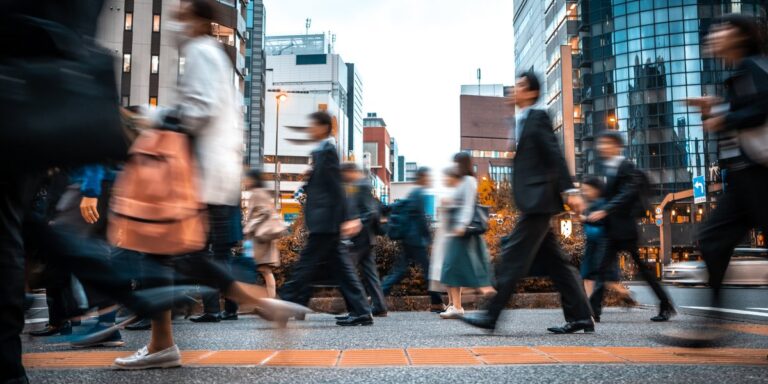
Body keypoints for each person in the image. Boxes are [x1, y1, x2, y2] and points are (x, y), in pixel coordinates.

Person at [113, 1, 307, 369]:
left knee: (161, 252)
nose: (174, 25)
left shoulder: (202, 53)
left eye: (181, 17)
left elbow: (199, 109)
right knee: (182, 256)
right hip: (210, 173)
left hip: (194, 175)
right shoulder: (215, 56)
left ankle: (165, 344)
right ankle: (169, 341)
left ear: (199, 21)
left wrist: (151, 117)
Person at [461, 71, 594, 334]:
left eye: (521, 86)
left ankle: (491, 316)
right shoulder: (519, 121)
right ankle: (581, 317)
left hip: (539, 202)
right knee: (557, 265)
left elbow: (554, 154)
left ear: (532, 93)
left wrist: (569, 189)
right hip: (534, 201)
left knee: (512, 259)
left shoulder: (537, 117)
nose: (515, 89)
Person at [680, 15, 768, 344]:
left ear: (741, 35)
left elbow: (760, 110)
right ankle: (712, 324)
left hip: (760, 175)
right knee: (713, 240)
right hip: (743, 180)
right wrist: (717, 110)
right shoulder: (739, 73)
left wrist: (722, 116)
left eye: (722, 29)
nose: (714, 35)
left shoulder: (754, 66)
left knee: (714, 239)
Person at [278, 111, 374, 327]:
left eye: (312, 125)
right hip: (327, 221)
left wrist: (349, 218)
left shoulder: (328, 151)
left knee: (305, 265)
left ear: (322, 127)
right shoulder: (323, 151)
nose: (310, 130)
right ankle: (361, 311)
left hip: (326, 221)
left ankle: (283, 307)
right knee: (341, 269)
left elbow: (336, 188)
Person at [587, 131, 674, 322]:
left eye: (607, 143)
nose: (602, 147)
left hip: (625, 229)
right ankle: (594, 310)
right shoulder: (610, 168)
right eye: (601, 144)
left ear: (617, 146)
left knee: (641, 269)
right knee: (601, 270)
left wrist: (605, 210)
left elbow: (628, 193)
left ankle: (665, 305)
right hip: (613, 229)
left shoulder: (626, 166)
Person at [380, 167, 445, 312]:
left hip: (409, 239)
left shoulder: (414, 193)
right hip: (415, 241)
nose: (430, 180)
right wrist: (428, 238)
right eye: (428, 177)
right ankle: (437, 303)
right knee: (428, 271)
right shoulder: (419, 194)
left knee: (400, 271)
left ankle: (378, 296)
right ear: (422, 177)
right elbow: (421, 219)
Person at [439, 154, 494, 319]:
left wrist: (462, 225)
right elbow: (461, 203)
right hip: (456, 231)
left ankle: (462, 303)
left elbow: (468, 206)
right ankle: (457, 305)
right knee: (452, 268)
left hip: (462, 231)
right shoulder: (464, 181)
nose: (454, 166)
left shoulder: (469, 181)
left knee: (452, 267)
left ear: (461, 163)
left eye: (455, 162)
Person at [579, 176, 634, 322]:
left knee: (603, 277)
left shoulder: (603, 203)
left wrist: (585, 219)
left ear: (596, 190)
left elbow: (602, 220)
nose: (585, 192)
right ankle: (590, 308)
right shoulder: (590, 204)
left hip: (602, 244)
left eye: (587, 190)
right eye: (583, 190)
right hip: (591, 244)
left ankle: (622, 294)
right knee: (588, 276)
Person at [339, 163, 388, 317]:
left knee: (346, 272)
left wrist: (357, 223)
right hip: (366, 238)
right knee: (370, 274)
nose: (343, 177)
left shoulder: (361, 185)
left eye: (344, 173)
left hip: (360, 238)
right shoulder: (358, 185)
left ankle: (357, 309)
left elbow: (370, 211)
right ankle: (379, 306)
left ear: (351, 171)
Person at [242, 169, 281, 299]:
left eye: (246, 179)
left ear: (253, 180)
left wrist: (248, 227)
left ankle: (271, 300)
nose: (244, 181)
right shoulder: (260, 193)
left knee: (264, 270)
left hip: (260, 239)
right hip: (261, 238)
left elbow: (263, 213)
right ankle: (270, 300)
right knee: (263, 270)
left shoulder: (257, 194)